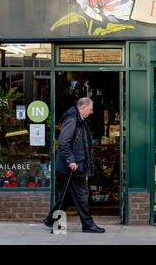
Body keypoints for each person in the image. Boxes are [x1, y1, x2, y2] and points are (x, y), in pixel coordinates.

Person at [44, 97, 105, 233]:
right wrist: (71, 160)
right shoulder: (72, 120)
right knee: (82, 195)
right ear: (82, 108)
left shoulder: (80, 120)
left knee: (66, 195)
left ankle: (50, 219)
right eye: (90, 109)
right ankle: (88, 224)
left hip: (78, 163)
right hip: (74, 165)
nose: (92, 112)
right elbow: (63, 141)